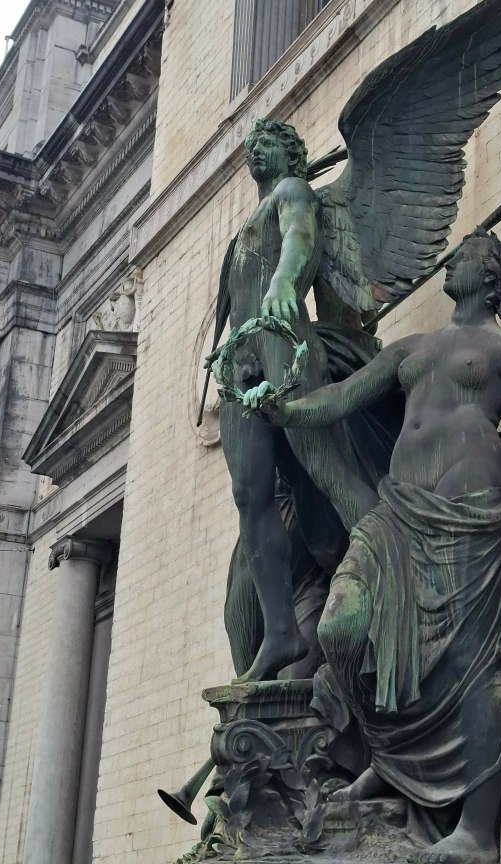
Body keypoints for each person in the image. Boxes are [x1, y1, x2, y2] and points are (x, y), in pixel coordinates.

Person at [246, 227, 501, 863]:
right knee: (341, 626)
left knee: (473, 664)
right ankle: (394, 759)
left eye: (466, 253)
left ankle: (478, 832)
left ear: (490, 276)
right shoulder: (412, 347)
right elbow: (339, 398)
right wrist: (286, 411)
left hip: (473, 514)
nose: (451, 258)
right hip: (399, 514)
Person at [218, 119, 381, 683]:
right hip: (240, 358)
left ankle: (390, 574)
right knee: (250, 494)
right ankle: (281, 632)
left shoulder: (293, 192)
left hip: (281, 339)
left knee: (324, 466)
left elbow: (300, 239)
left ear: (289, 152)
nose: (252, 152)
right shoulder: (245, 224)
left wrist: (285, 282)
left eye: (264, 143)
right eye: (250, 146)